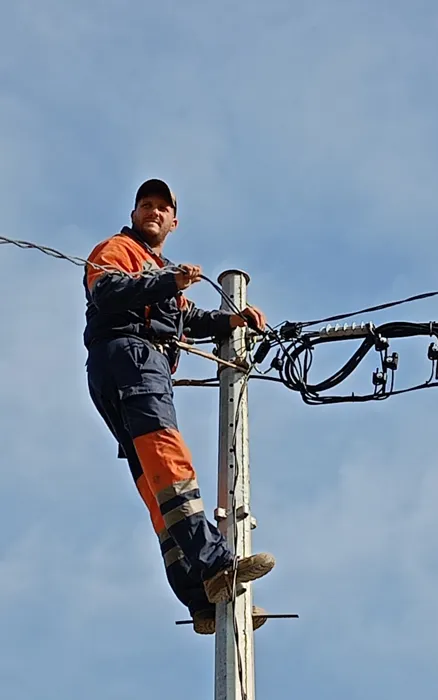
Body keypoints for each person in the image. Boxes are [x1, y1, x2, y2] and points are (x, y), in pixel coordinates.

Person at [83, 178, 275, 635]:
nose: (152, 211)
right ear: (133, 215)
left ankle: (200, 596)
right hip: (130, 357)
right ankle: (216, 564)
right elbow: (107, 291)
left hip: (128, 366)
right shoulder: (117, 249)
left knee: (156, 488)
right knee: (168, 461)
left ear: (173, 221)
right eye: (144, 205)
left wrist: (232, 319)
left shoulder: (157, 268)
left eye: (160, 207)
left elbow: (186, 317)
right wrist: (167, 280)